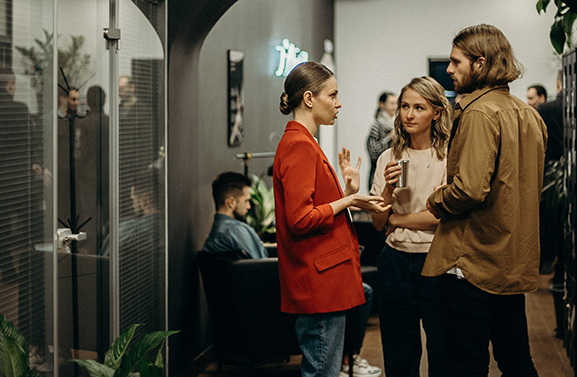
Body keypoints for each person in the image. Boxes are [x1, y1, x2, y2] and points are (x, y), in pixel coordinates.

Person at [423, 24, 547, 376]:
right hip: (510, 261)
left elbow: (469, 189)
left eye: (455, 62)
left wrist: (435, 201)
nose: (448, 70)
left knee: (466, 364)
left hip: (474, 261)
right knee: (516, 359)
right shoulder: (529, 114)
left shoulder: (478, 113)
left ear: (479, 64)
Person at [274, 61, 388, 377]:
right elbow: (300, 219)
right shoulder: (299, 143)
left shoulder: (302, 141)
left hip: (322, 277)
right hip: (318, 280)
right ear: (309, 99)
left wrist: (346, 192)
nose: (338, 103)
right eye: (333, 95)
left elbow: (311, 209)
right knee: (323, 370)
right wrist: (350, 199)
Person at [369, 76, 451, 377]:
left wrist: (397, 219)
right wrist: (389, 190)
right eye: (404, 106)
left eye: (419, 107)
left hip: (437, 260)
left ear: (437, 113)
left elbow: (440, 215)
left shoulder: (448, 156)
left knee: (443, 349)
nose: (409, 114)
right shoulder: (389, 157)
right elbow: (378, 222)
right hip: (395, 261)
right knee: (399, 352)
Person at [537, 70, 565, 338]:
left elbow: (541, 144)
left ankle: (547, 262)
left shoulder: (548, 108)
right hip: (566, 177)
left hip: (553, 178)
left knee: (553, 228)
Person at [202, 172, 268, 259]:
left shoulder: (213, 237)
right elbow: (263, 265)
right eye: (246, 201)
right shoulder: (237, 231)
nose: (249, 206)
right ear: (231, 202)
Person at [366, 92, 397, 188]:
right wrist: (390, 137)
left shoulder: (395, 125)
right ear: (381, 104)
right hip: (378, 178)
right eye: (391, 103)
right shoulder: (376, 126)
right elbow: (373, 152)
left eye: (396, 104)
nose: (394, 107)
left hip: (392, 176)